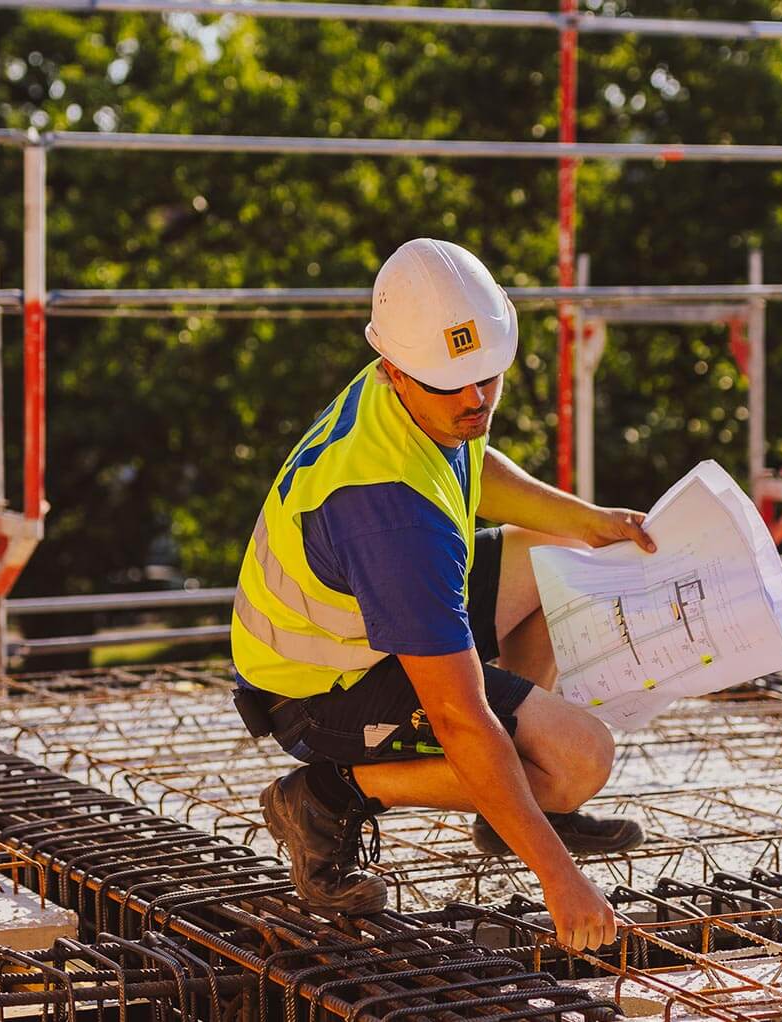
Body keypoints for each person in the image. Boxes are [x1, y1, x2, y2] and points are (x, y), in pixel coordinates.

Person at [230, 238, 657, 952]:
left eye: (489, 378)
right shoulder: (392, 513)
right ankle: (327, 797)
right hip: (318, 689)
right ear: (396, 370)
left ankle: (509, 806)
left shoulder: (417, 388)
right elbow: (462, 717)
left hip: (361, 623)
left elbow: (473, 464)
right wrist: (558, 877)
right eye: (454, 386)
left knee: (560, 555)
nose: (476, 399)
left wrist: (590, 522)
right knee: (578, 761)